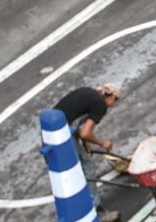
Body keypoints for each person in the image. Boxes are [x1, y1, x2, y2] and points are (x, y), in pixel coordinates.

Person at [52, 83, 123, 222]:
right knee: (88, 167)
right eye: (115, 101)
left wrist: (86, 145)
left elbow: (73, 119)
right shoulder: (101, 105)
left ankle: (80, 204)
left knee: (77, 168)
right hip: (61, 136)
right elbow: (85, 132)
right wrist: (103, 143)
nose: (112, 105)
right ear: (112, 97)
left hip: (52, 133)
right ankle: (97, 211)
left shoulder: (86, 91)